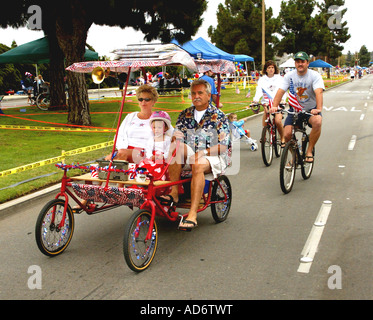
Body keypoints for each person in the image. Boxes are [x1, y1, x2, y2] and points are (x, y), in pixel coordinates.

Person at [163, 79, 231, 231]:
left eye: (200, 93)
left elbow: (223, 145)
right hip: (192, 154)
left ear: (208, 95)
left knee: (198, 163)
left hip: (213, 155)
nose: (196, 96)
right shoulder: (184, 114)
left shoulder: (219, 116)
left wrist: (203, 153)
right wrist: (176, 138)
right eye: (193, 93)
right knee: (175, 147)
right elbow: (177, 136)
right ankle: (174, 194)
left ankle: (192, 214)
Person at [270, 51, 324, 163]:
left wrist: (318, 109)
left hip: (310, 110)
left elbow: (318, 92)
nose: (300, 64)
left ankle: (309, 151)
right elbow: (280, 91)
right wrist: (274, 106)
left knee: (318, 122)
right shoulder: (289, 76)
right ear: (295, 64)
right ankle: (294, 155)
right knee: (287, 134)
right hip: (295, 110)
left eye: (302, 62)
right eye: (297, 62)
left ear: (307, 63)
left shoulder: (315, 76)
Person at [252, 60, 286, 146]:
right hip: (267, 102)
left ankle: (282, 137)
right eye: (269, 68)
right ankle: (264, 134)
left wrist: (283, 100)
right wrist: (255, 100)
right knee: (266, 113)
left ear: (275, 69)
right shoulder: (262, 80)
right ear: (265, 69)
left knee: (278, 121)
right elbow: (259, 90)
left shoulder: (280, 78)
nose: (271, 69)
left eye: (272, 67)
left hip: (278, 102)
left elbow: (283, 90)